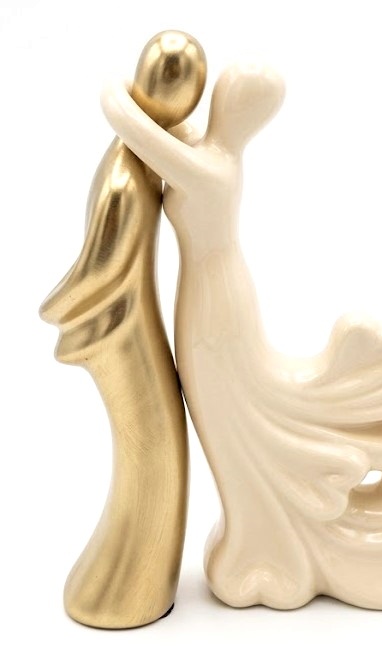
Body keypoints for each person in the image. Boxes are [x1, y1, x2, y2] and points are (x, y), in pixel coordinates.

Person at [40, 31, 205, 629]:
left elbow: (105, 264)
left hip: (125, 326)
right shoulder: (131, 163)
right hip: (128, 323)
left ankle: (133, 580)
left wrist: (59, 304)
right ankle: (131, 574)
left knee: (151, 440)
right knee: (150, 440)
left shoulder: (129, 170)